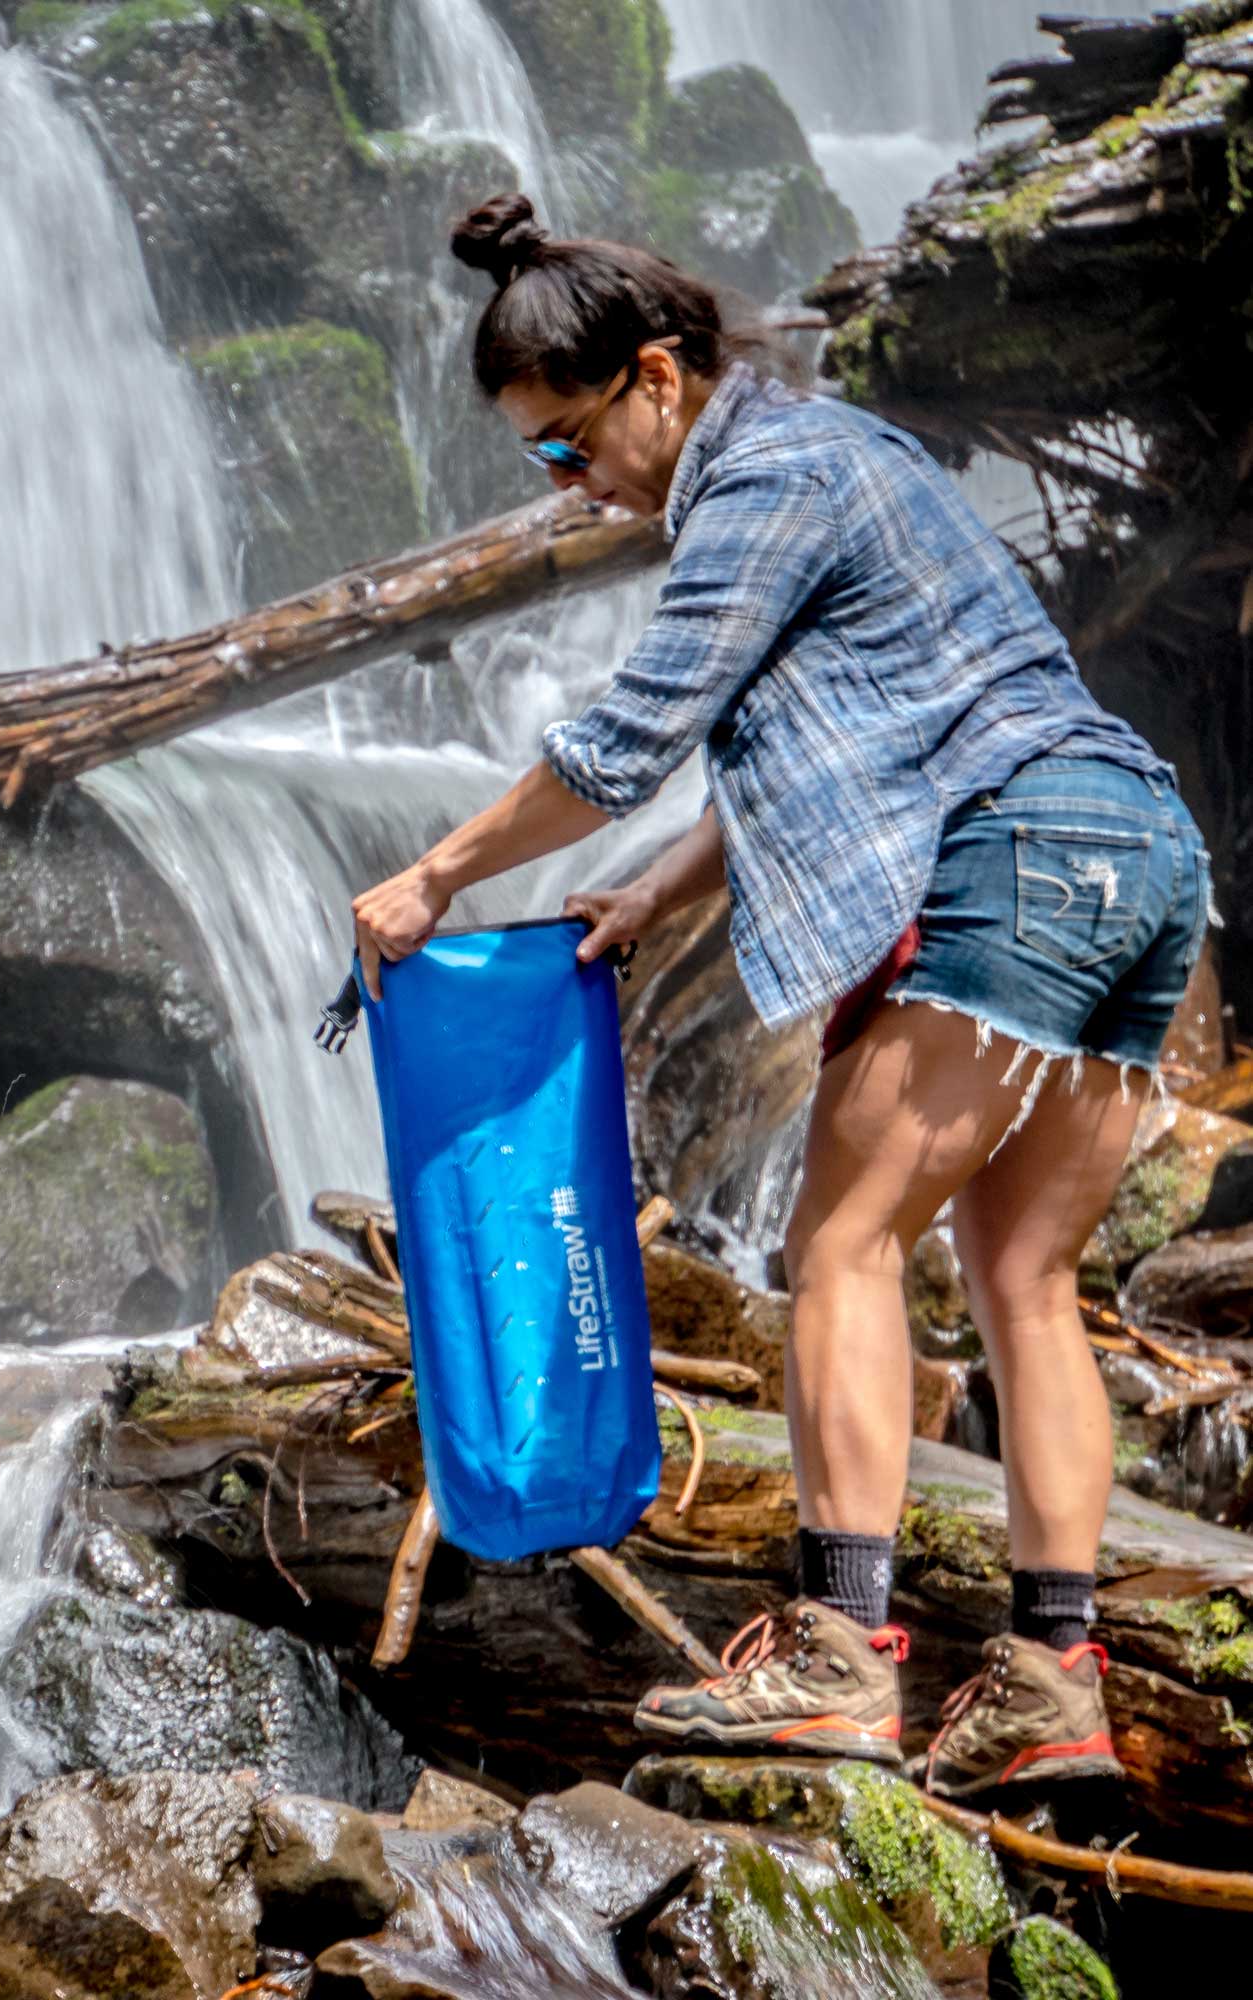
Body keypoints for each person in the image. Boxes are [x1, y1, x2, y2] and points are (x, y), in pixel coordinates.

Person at [351, 193, 1211, 1800]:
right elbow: (864, 730)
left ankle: (835, 1657)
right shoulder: (846, 457)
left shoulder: (762, 480)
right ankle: (1051, 1680)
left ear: (657, 379)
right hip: (1137, 855)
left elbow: (622, 739)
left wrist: (437, 880)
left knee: (838, 1244)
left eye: (565, 443)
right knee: (1020, 1276)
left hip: (1015, 852)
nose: (570, 483)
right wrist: (659, 890)